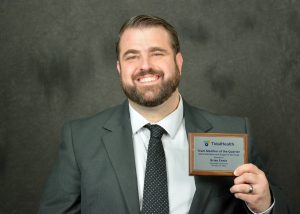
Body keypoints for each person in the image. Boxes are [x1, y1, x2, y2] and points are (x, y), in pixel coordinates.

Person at [38, 15, 290, 214]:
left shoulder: (236, 133)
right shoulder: (79, 139)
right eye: (132, 56)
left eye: (157, 53)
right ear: (119, 68)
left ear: (178, 62)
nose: (145, 65)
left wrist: (265, 205)